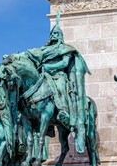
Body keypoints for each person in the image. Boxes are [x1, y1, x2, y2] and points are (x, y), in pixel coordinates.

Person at [22, 10, 91, 153]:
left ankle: (62, 110)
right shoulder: (44, 50)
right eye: (52, 34)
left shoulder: (64, 49)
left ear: (60, 36)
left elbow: (65, 63)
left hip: (59, 76)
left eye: (56, 34)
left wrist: (50, 66)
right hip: (44, 76)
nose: (54, 36)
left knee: (59, 87)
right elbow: (33, 55)